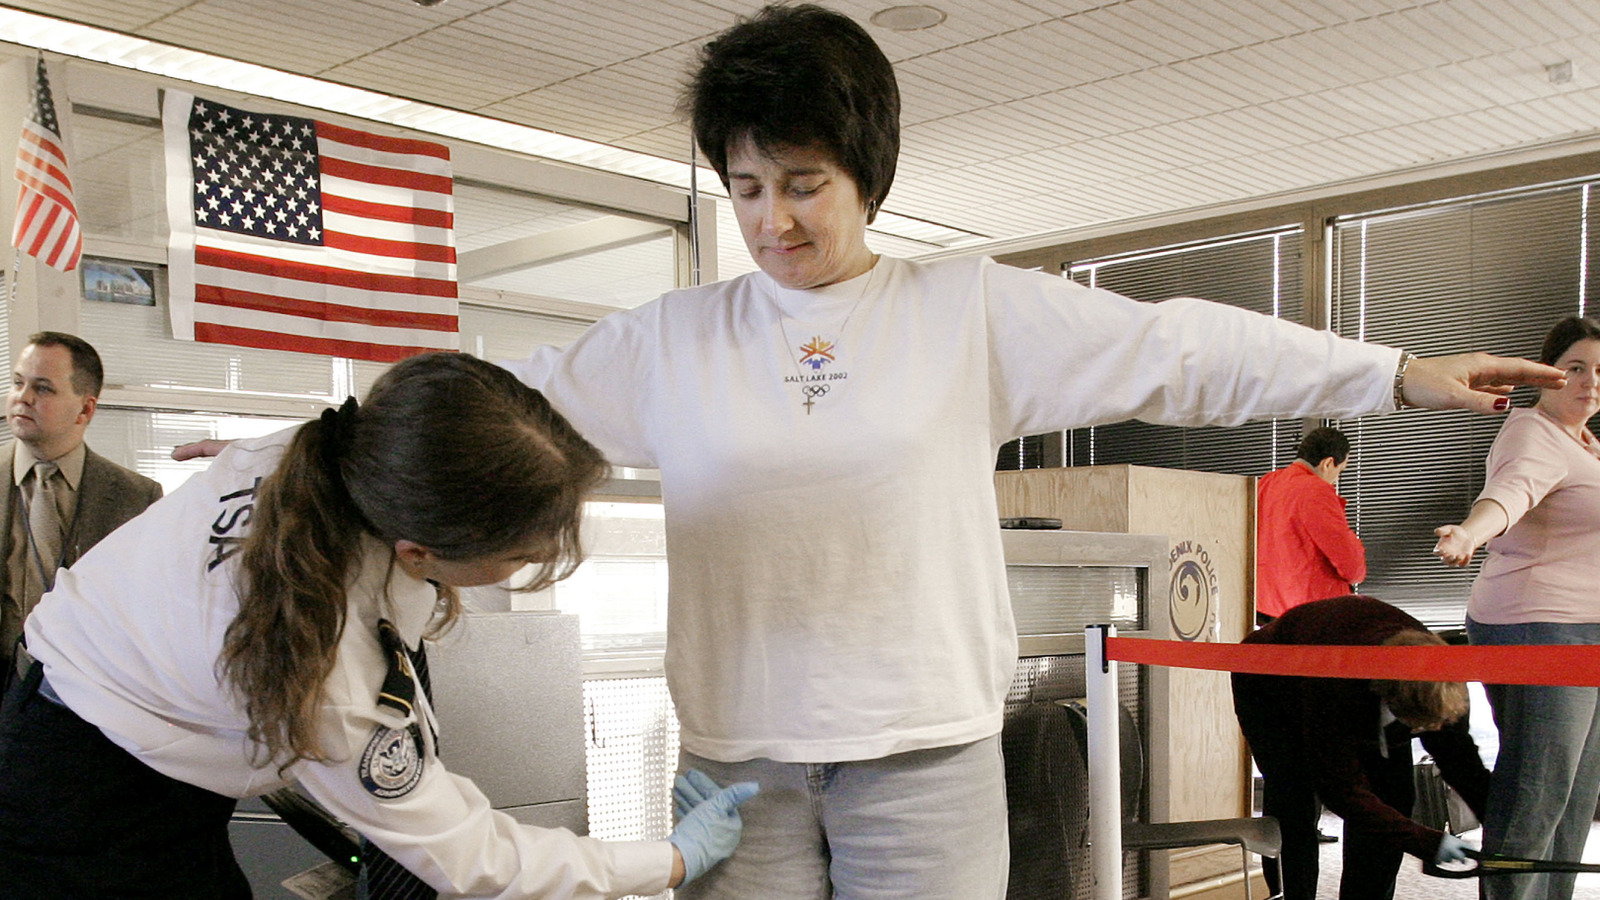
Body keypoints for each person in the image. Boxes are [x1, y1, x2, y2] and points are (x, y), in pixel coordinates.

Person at [173, 8, 1567, 897]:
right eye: (749, 187)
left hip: (928, 756)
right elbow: (474, 416)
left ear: (869, 177)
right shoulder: (669, 341)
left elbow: (1183, 350)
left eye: (806, 184)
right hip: (738, 763)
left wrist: (1390, 371)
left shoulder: (968, 312)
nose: (776, 220)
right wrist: (302, 456)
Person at [0, 352, 757, 899]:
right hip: (81, 793)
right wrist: (669, 861)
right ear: (419, 550)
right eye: (520, 557)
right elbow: (473, 858)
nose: (532, 563)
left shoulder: (327, 451)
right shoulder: (327, 665)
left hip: (80, 728)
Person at [1432, 314, 1600, 900]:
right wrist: (1470, 534)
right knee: (1537, 793)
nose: (1590, 382)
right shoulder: (1533, 433)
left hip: (1585, 633)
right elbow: (1510, 494)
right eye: (1576, 368)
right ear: (1548, 375)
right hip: (1541, 625)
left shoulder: (1586, 444)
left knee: (1577, 795)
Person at [1231, 595, 1490, 900]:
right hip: (1269, 681)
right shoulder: (1338, 691)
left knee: (1394, 799)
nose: (1434, 732)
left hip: (1354, 660)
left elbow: (1463, 765)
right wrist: (1426, 841)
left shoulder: (1444, 683)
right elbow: (1343, 792)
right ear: (1392, 706)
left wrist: (1504, 829)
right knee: (1294, 799)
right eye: (1422, 727)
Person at [1, 331, 162, 680]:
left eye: (42, 388)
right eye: (17, 382)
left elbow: (145, 613)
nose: (22, 398)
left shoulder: (136, 497)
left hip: (87, 699)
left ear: (85, 408)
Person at [1256, 426, 1365, 626]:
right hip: (1315, 612)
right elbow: (1352, 565)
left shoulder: (1266, 483)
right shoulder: (1317, 491)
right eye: (1340, 471)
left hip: (1268, 607)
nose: (1336, 479)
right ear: (1328, 463)